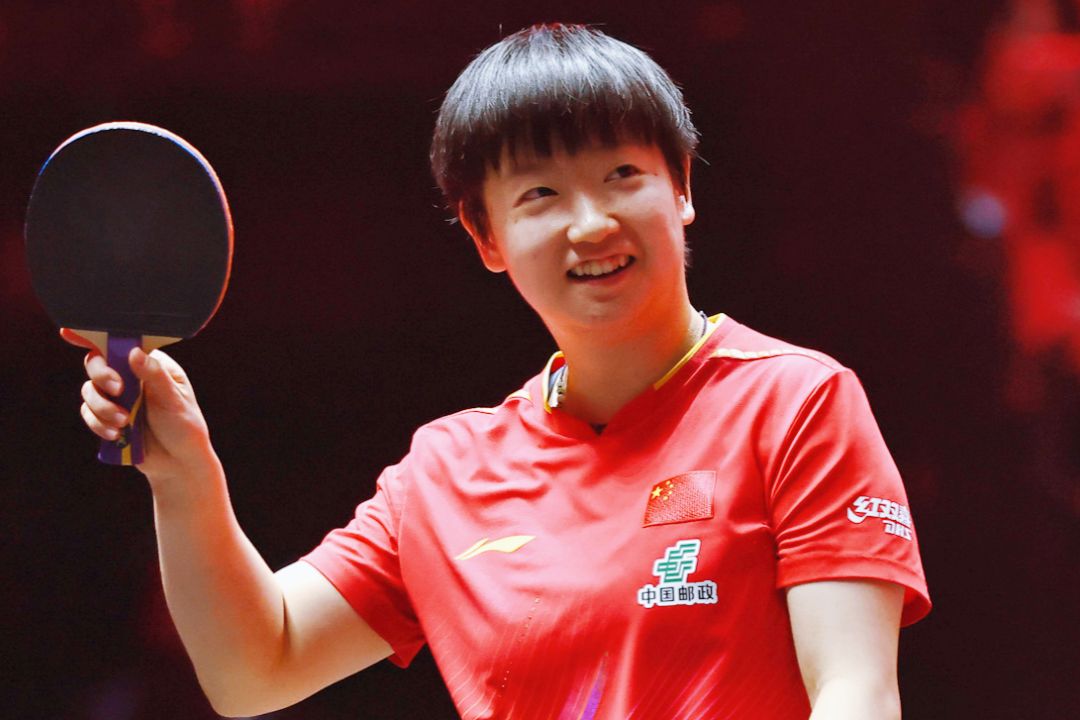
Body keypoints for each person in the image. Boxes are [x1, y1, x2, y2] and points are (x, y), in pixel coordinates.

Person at [69, 23, 930, 720]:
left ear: (682, 190)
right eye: (540, 195)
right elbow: (258, 665)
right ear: (487, 238)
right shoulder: (447, 474)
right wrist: (183, 478)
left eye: (622, 175)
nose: (591, 223)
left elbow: (855, 694)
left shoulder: (795, 403)